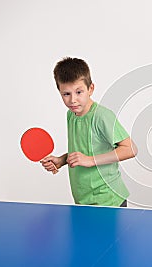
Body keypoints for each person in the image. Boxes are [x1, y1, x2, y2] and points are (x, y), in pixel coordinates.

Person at [42, 57, 138, 207]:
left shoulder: (102, 116)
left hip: (108, 200)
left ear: (90, 89)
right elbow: (83, 150)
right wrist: (62, 160)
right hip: (84, 200)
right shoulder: (71, 115)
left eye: (79, 92)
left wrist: (90, 160)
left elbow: (131, 149)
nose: (73, 100)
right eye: (66, 94)